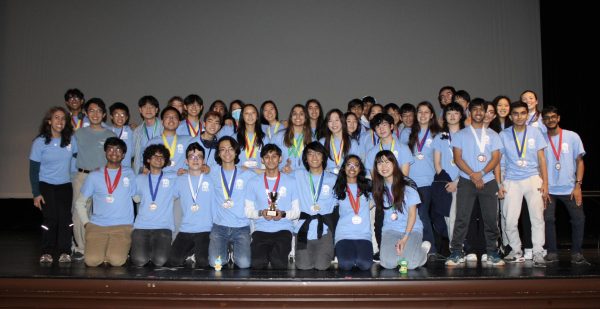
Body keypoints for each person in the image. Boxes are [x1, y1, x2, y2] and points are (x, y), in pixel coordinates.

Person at [445, 99, 505, 266]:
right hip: (466, 180)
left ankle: (492, 252)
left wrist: (482, 173)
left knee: (491, 219)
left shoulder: (493, 135)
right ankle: (456, 252)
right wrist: (473, 174)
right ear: (469, 112)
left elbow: (496, 158)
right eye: (475, 109)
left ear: (485, 112)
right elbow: (457, 158)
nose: (478, 112)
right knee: (462, 218)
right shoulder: (460, 135)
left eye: (482, 110)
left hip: (489, 180)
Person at [499, 101, 549, 267]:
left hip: (533, 178)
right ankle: (515, 249)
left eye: (522, 113)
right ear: (511, 116)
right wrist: (501, 183)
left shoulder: (535, 132)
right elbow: (500, 162)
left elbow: (542, 159)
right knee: (510, 219)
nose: (519, 116)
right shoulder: (504, 135)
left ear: (527, 115)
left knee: (537, 218)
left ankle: (537, 251)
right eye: (516, 113)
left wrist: (545, 184)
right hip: (512, 180)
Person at [74, 137, 136, 267]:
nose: (114, 152)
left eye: (118, 149)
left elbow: (137, 198)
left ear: (124, 155)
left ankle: (111, 250)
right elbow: (80, 203)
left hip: (122, 226)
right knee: (92, 261)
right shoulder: (94, 175)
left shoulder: (129, 173)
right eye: (110, 149)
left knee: (117, 261)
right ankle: (104, 250)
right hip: (98, 226)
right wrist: (87, 224)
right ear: (105, 152)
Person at [541, 106, 588, 265]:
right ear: (543, 121)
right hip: (549, 189)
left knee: (578, 220)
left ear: (558, 118)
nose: (550, 120)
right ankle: (552, 252)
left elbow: (580, 162)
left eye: (553, 117)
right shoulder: (541, 138)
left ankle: (576, 253)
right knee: (548, 220)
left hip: (569, 188)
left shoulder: (572, 136)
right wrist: (543, 186)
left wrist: (578, 186)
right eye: (546, 118)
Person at [71, 98, 117, 261]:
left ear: (104, 114)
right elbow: (72, 155)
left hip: (104, 178)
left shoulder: (110, 134)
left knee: (102, 213)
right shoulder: (78, 134)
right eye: (91, 110)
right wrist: (74, 177)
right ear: (86, 113)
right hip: (83, 176)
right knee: (79, 212)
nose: (95, 114)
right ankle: (82, 247)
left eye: (98, 111)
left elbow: (116, 158)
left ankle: (101, 247)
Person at [30, 107, 77, 263]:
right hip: (46, 185)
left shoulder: (71, 140)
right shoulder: (40, 142)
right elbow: (33, 170)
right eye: (56, 118)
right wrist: (36, 193)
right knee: (50, 219)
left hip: (65, 186)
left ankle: (65, 251)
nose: (60, 121)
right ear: (49, 121)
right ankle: (46, 251)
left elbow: (75, 161)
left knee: (65, 219)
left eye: (63, 118)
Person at [244, 144, 300, 269]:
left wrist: (283, 214)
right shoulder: (253, 182)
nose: (270, 160)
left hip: (283, 229)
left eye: (274, 156)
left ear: (280, 159)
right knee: (257, 263)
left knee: (278, 263)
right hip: (260, 229)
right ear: (262, 160)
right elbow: (248, 211)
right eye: (267, 157)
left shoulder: (291, 181)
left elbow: (297, 211)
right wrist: (261, 213)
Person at [372, 150, 430, 269]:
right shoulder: (378, 188)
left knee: (410, 264)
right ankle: (404, 253)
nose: (384, 167)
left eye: (387, 162)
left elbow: (412, 216)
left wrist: (404, 239)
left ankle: (423, 251)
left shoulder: (408, 186)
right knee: (387, 264)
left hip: (411, 230)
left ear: (394, 164)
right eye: (380, 163)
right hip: (390, 230)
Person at [208, 136, 254, 269]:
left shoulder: (246, 173)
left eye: (230, 149)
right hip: (219, 226)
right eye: (222, 149)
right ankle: (225, 252)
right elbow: (196, 170)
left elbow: (265, 173)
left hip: (241, 226)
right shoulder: (213, 171)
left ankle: (234, 252)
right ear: (218, 153)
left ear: (236, 151)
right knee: (215, 264)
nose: (227, 152)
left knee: (244, 264)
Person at [405, 101, 442, 261]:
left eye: (427, 112)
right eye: (420, 111)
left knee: (423, 214)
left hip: (429, 181)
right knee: (416, 215)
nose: (423, 115)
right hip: (410, 183)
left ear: (432, 115)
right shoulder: (407, 133)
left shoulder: (438, 135)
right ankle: (419, 247)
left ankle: (431, 248)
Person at [130, 144, 177, 267]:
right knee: (139, 260)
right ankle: (148, 250)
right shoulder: (139, 179)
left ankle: (154, 251)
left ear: (165, 161)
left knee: (160, 261)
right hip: (141, 226)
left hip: (163, 227)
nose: (158, 158)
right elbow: (135, 198)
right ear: (148, 160)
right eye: (155, 156)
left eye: (162, 157)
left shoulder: (172, 179)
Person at [168, 143, 213, 268]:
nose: (196, 159)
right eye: (192, 157)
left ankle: (199, 251)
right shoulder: (180, 180)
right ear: (186, 161)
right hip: (186, 229)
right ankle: (193, 250)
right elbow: (167, 196)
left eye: (199, 156)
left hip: (206, 229)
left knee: (203, 262)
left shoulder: (211, 179)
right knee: (174, 261)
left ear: (204, 161)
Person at [294, 142, 337, 270]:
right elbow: (273, 174)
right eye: (310, 154)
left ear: (323, 157)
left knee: (322, 266)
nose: (314, 157)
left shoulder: (333, 179)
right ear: (305, 159)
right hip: (303, 229)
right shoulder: (297, 175)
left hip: (324, 229)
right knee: (303, 266)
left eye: (318, 154)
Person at [333, 155, 373, 271]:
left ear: (360, 169)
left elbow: (377, 200)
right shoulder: (338, 188)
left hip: (364, 235)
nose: (352, 168)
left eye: (356, 165)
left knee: (365, 265)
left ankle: (356, 257)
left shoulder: (368, 186)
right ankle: (346, 256)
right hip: (344, 234)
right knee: (345, 264)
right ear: (343, 168)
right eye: (349, 164)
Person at [432, 103, 464, 246]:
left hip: (463, 181)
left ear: (461, 115)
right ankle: (455, 247)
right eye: (449, 113)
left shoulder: (467, 135)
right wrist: (447, 181)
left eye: (455, 113)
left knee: (459, 215)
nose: (452, 116)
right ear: (444, 117)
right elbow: (437, 163)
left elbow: (470, 160)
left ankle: (460, 246)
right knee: (448, 216)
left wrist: (458, 182)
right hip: (446, 182)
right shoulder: (439, 137)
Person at [146, 107, 192, 175]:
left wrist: (188, 171)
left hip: (180, 180)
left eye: (174, 117)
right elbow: (146, 166)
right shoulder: (152, 142)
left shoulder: (188, 140)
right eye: (167, 117)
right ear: (162, 121)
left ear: (179, 122)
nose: (171, 119)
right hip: (159, 181)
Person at [320, 109, 360, 174]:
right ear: (327, 124)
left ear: (342, 122)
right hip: (327, 179)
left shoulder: (352, 143)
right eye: (330, 121)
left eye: (337, 120)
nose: (334, 124)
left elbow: (356, 165)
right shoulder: (322, 142)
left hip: (345, 179)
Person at [275, 104, 313, 174]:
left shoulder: (312, 139)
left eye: (301, 114)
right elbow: (271, 157)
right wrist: (281, 168)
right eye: (295, 114)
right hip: (284, 176)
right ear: (291, 117)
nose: (298, 116)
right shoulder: (279, 136)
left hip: (305, 179)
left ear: (306, 118)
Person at [133, 95, 163, 174]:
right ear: (140, 110)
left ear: (156, 110)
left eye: (151, 107)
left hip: (162, 171)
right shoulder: (137, 131)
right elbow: (136, 156)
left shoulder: (164, 127)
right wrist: (140, 170)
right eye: (145, 107)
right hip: (143, 171)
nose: (148, 109)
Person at [236, 104, 266, 172]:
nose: (250, 115)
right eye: (246, 113)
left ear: (257, 116)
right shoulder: (234, 138)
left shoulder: (264, 138)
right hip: (240, 177)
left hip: (258, 177)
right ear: (242, 117)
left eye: (253, 112)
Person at [108, 102, 134, 168]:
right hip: (109, 168)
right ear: (111, 116)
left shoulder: (132, 131)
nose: (120, 118)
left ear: (127, 117)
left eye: (122, 115)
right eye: (116, 115)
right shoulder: (107, 131)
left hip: (126, 168)